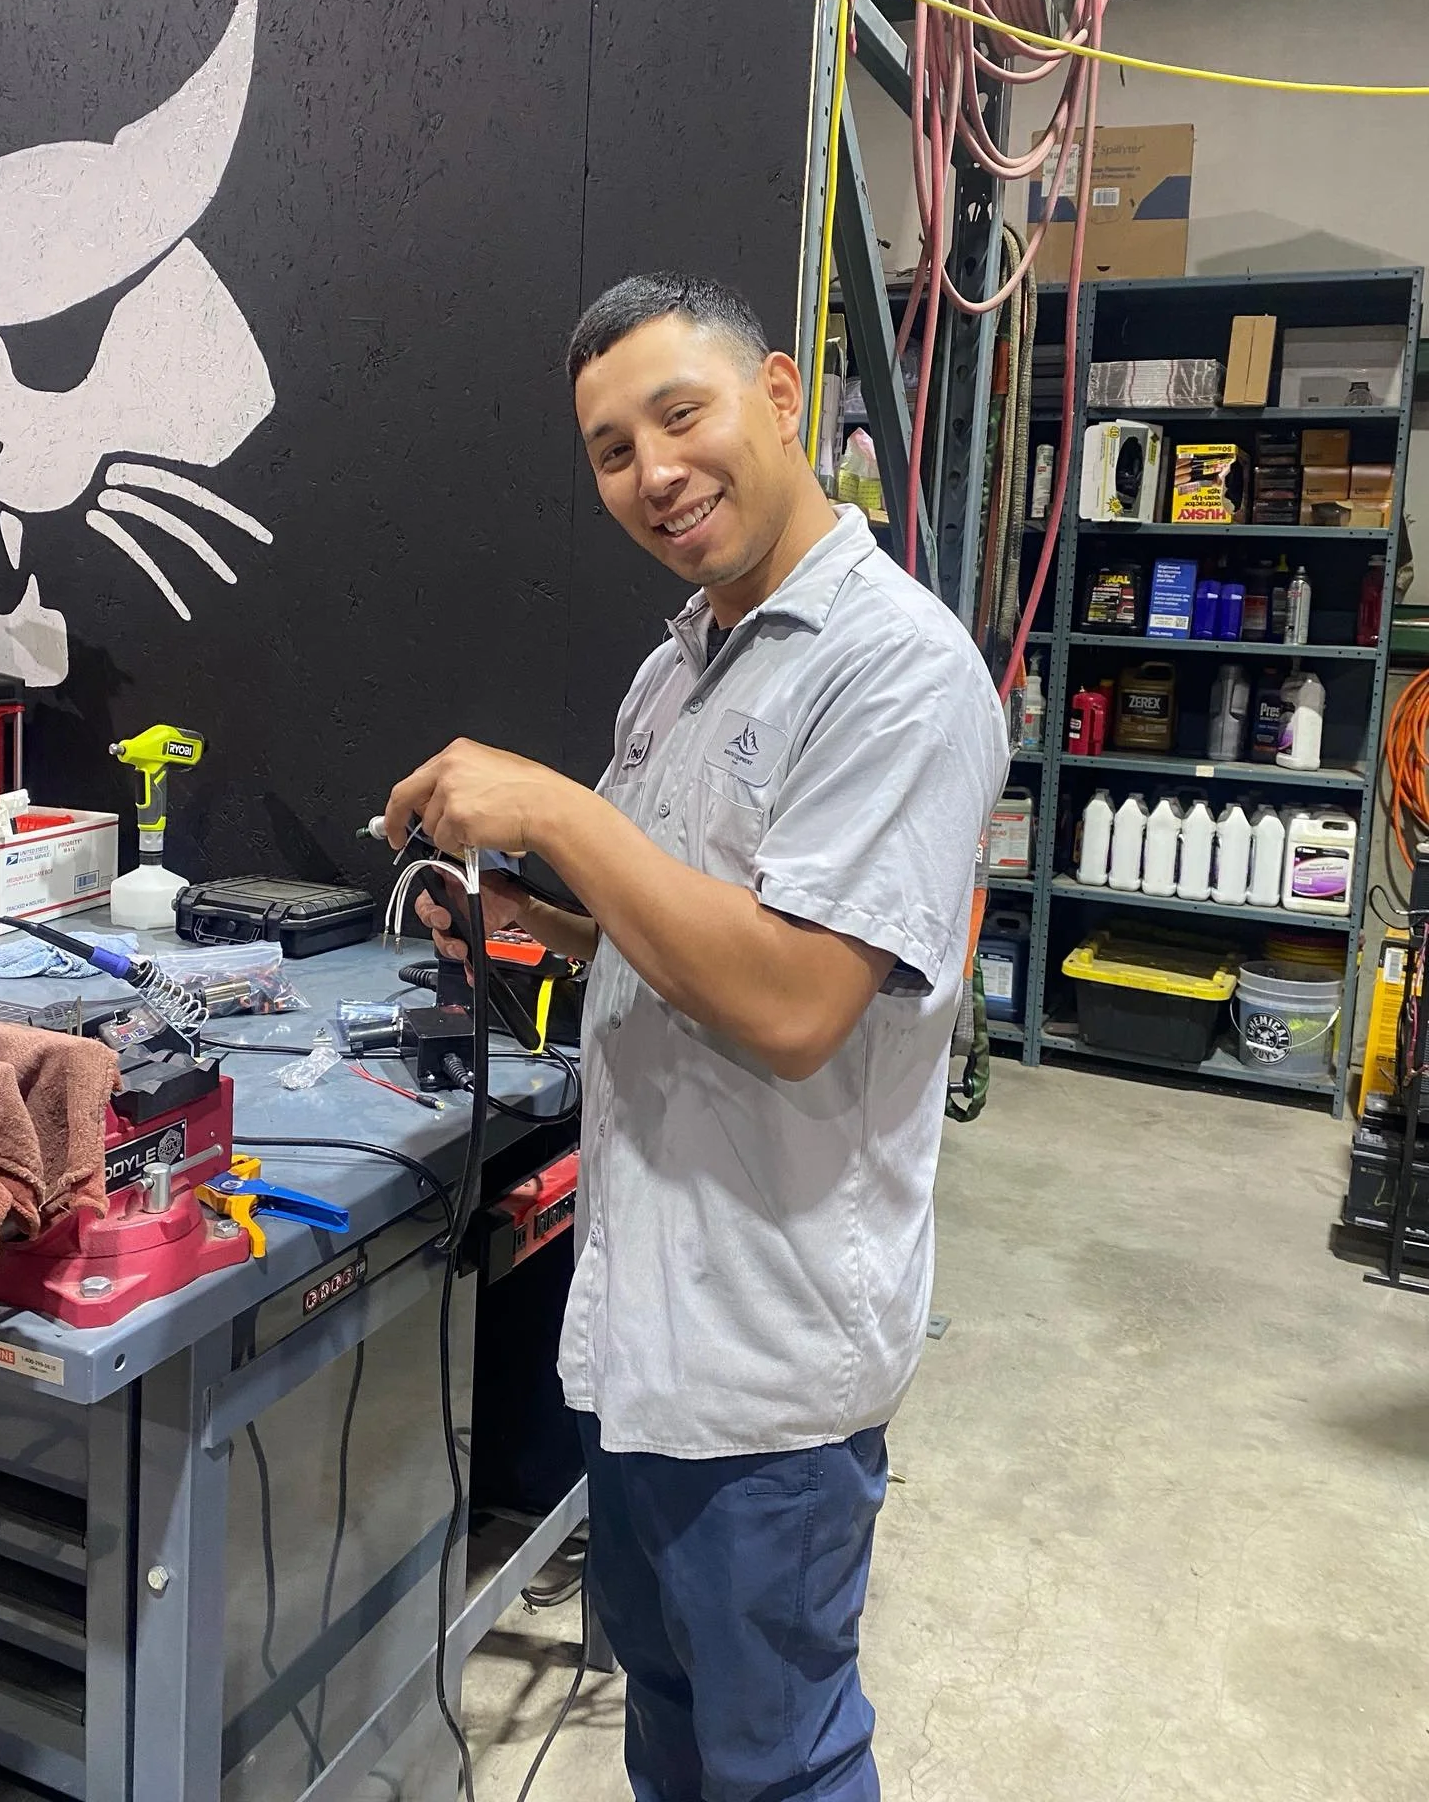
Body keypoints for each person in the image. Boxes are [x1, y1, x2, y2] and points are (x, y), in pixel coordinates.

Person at [384, 274, 1008, 1800]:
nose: (652, 472)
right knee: (670, 1730)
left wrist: (556, 809)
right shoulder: (679, 671)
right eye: (610, 449)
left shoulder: (897, 671)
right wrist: (540, 926)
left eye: (682, 414)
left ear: (783, 397)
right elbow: (684, 934)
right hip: (643, 1331)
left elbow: (797, 1005)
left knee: (777, 1762)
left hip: (772, 1358)